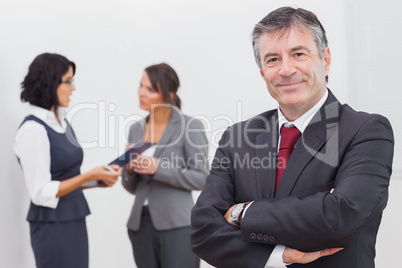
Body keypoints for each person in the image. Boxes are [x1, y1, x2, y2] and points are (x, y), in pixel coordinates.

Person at [191, 6, 394, 268]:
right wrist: (280, 256)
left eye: (298, 54)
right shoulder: (237, 138)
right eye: (272, 59)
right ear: (263, 73)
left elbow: (340, 217)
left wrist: (243, 212)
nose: (286, 69)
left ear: (326, 59)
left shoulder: (366, 131)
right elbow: (202, 231)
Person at [14, 53, 121, 268]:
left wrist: (96, 181)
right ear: (49, 82)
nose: (73, 88)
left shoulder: (61, 121)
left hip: (73, 218)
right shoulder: (33, 129)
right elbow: (40, 192)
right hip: (52, 227)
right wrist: (89, 175)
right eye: (68, 82)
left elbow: (64, 179)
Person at [122, 63, 209, 268]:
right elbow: (131, 187)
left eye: (150, 89)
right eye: (141, 86)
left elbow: (203, 178)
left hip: (177, 224)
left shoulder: (189, 126)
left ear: (168, 93)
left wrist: (158, 168)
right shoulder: (136, 129)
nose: (141, 93)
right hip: (140, 224)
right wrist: (127, 170)